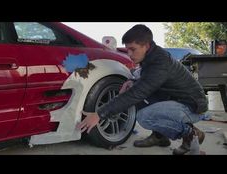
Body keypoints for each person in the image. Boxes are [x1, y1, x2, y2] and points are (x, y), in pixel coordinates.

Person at [77, 24, 208, 155]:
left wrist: (100, 114)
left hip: (192, 105)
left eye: (133, 49)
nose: (129, 54)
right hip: (176, 99)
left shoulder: (160, 62)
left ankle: (191, 134)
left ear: (146, 45)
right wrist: (132, 81)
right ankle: (160, 136)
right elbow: (148, 80)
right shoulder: (151, 56)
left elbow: (137, 93)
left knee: (145, 117)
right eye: (127, 49)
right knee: (139, 96)